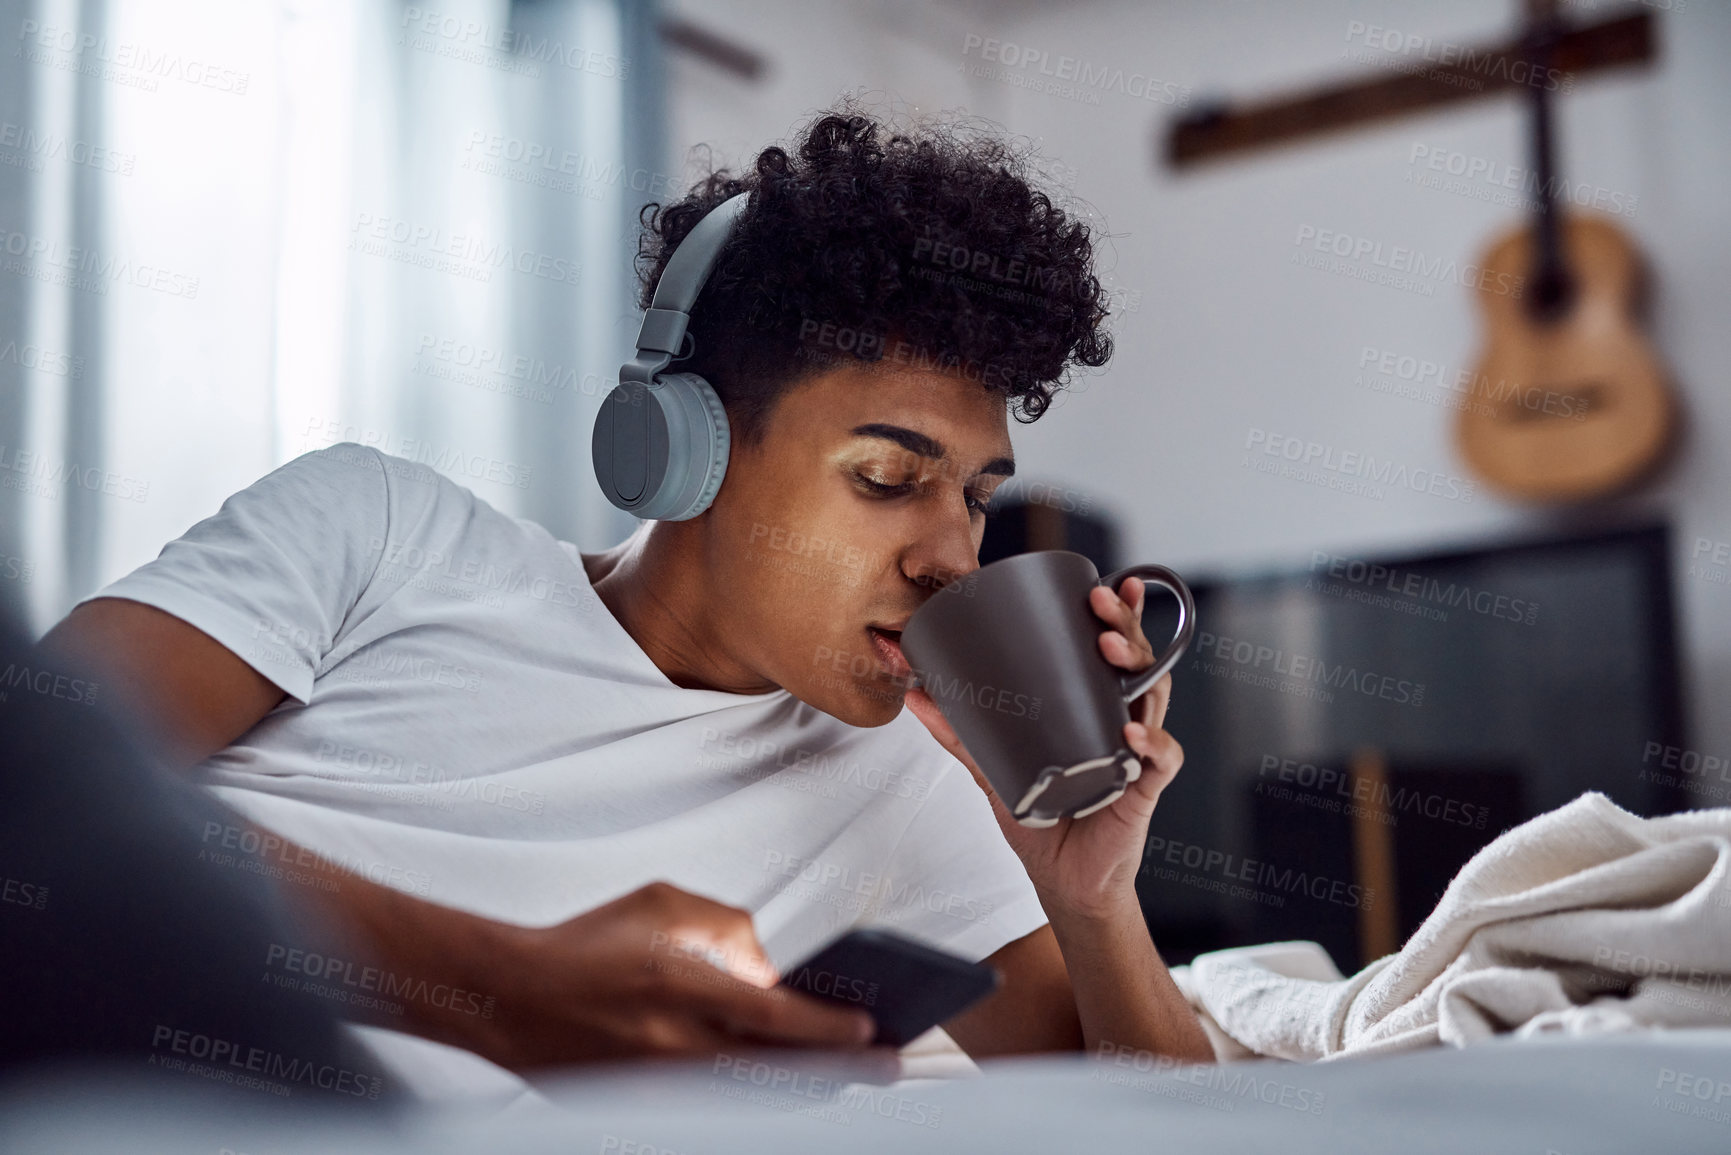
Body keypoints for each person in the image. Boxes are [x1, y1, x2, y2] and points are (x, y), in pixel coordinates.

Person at [38, 108, 1211, 1079]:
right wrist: (500, 990)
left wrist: (1095, 899)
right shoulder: (376, 530)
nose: (953, 554)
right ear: (682, 448)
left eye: (974, 496)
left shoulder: (906, 784)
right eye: (888, 477)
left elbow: (1156, 1123)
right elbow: (34, 784)